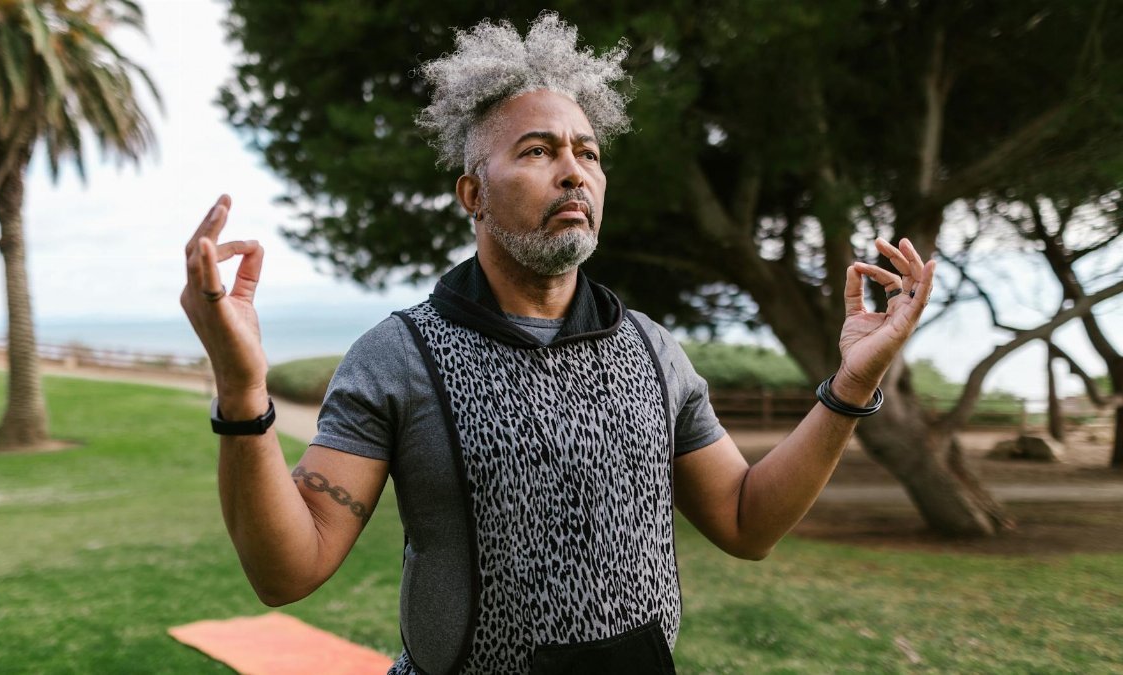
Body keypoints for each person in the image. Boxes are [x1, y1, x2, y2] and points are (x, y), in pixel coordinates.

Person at [180, 12, 935, 675]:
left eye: (588, 153)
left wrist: (851, 386)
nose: (574, 172)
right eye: (538, 151)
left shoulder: (653, 350)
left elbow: (747, 522)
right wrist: (243, 392)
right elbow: (288, 570)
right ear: (473, 193)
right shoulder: (400, 356)